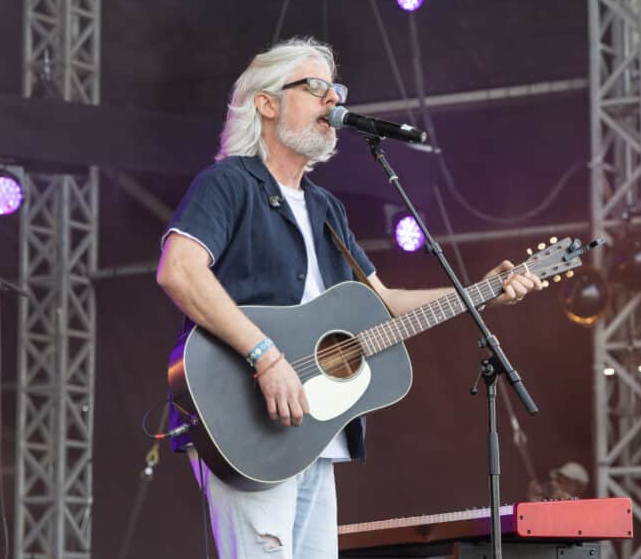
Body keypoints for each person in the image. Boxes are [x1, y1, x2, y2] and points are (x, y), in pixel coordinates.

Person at [156, 37, 543, 559]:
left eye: (336, 89)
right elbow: (179, 271)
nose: (333, 101)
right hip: (247, 420)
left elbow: (381, 302)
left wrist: (484, 295)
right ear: (266, 103)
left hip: (314, 431)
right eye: (315, 88)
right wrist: (264, 355)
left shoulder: (325, 208)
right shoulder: (229, 184)